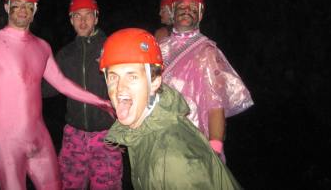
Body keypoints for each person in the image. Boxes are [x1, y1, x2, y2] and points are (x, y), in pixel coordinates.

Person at [0, 0, 113, 190]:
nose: (23, 10)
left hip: (39, 136)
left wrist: (99, 101)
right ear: (6, 7)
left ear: (34, 10)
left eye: (28, 5)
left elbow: (61, 83)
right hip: (6, 141)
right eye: (17, 4)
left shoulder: (42, 47)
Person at [101, 28, 242, 190]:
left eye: (132, 77)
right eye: (113, 77)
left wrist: (216, 145)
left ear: (155, 82)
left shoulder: (174, 161)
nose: (120, 88)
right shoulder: (142, 129)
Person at [159, 0, 254, 161]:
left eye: (193, 8)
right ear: (173, 11)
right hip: (159, 139)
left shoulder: (206, 52)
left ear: (201, 15)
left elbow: (216, 105)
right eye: (182, 6)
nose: (187, 10)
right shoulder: (159, 48)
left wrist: (215, 149)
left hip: (193, 144)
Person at [43, 0, 122, 189]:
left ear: (96, 18)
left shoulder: (112, 47)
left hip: (106, 135)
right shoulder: (65, 54)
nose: (83, 21)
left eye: (88, 15)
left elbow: (128, 90)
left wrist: (124, 129)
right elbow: (48, 89)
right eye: (77, 16)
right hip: (74, 136)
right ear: (71, 20)